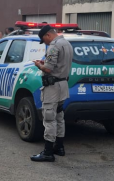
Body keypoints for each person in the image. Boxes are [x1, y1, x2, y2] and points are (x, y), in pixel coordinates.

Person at [31, 25, 73, 162]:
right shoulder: (67, 44)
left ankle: (48, 152)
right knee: (60, 116)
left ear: (48, 35)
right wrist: (46, 63)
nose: (45, 43)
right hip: (63, 85)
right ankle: (59, 147)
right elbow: (59, 64)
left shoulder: (54, 46)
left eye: (44, 40)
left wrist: (39, 65)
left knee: (49, 118)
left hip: (53, 88)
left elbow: (48, 69)